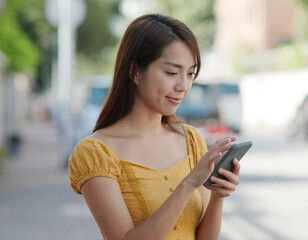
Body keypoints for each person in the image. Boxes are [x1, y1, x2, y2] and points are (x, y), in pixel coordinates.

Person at [68, 14, 240, 240]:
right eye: (171, 72)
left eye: (190, 74)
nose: (183, 86)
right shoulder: (95, 153)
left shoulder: (190, 139)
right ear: (134, 71)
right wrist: (189, 183)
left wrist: (218, 196)